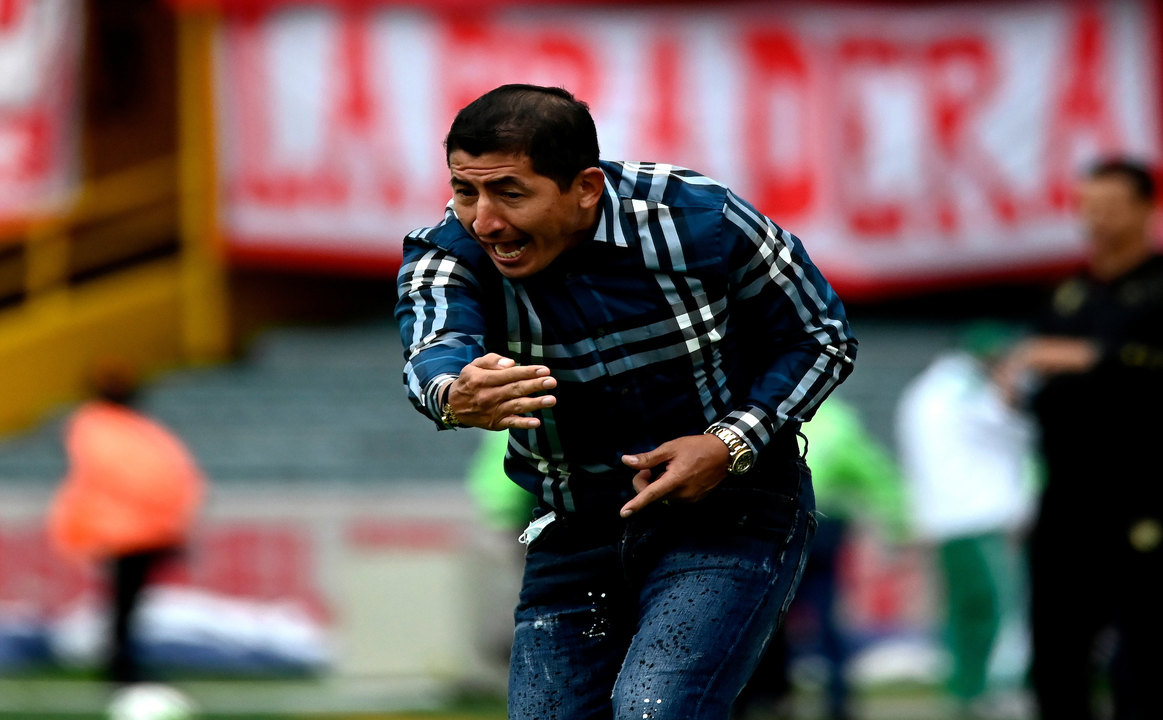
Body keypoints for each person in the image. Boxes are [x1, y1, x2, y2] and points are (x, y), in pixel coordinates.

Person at [396, 84, 856, 719]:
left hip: (735, 512)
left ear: (585, 187)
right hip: (572, 528)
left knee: (654, 709)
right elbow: (434, 348)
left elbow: (820, 337)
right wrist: (452, 394)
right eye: (464, 190)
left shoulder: (702, 221)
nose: (484, 220)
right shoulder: (448, 251)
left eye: (510, 193)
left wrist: (729, 442)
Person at [995, 159, 1163, 720]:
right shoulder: (1068, 293)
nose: (1097, 219)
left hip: (1145, 493)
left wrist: (1096, 357)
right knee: (1055, 651)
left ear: (1149, 209)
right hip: (1066, 496)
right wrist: (1012, 382)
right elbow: (1038, 374)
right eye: (1088, 206)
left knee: (1150, 652)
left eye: (1111, 206)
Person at [736, 395, 906, 720]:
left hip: (774, 523)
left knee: (766, 614)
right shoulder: (838, 417)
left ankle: (766, 698)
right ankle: (838, 700)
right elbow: (872, 470)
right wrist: (897, 523)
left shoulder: (764, 406)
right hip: (825, 524)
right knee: (824, 615)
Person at [898, 323, 1034, 710]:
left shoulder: (927, 390)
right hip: (975, 518)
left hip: (951, 517)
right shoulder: (963, 388)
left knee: (966, 608)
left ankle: (966, 690)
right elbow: (1012, 425)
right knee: (989, 606)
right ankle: (977, 689)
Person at [48, 358, 206, 685]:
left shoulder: (121, 429)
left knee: (127, 604)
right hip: (129, 533)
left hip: (138, 532)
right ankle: (121, 667)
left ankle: (122, 663)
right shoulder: (105, 429)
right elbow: (125, 479)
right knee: (124, 605)